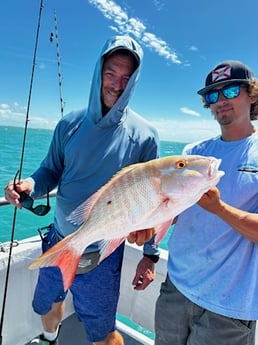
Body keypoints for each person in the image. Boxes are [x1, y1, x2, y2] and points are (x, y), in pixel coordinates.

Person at [4, 35, 160, 345]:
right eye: (111, 73)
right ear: (98, 72)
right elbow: (50, 170)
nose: (116, 84)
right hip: (58, 241)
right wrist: (28, 187)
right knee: (46, 307)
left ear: (134, 82)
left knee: (103, 334)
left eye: (126, 78)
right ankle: (50, 337)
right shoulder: (68, 123)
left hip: (101, 258)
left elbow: (151, 201)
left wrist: (150, 256)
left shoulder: (145, 136)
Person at [155, 60, 258, 345]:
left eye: (230, 91)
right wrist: (145, 225)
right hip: (176, 287)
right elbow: (175, 211)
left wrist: (220, 209)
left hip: (228, 306)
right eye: (213, 95)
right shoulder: (193, 152)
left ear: (252, 94)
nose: (221, 101)